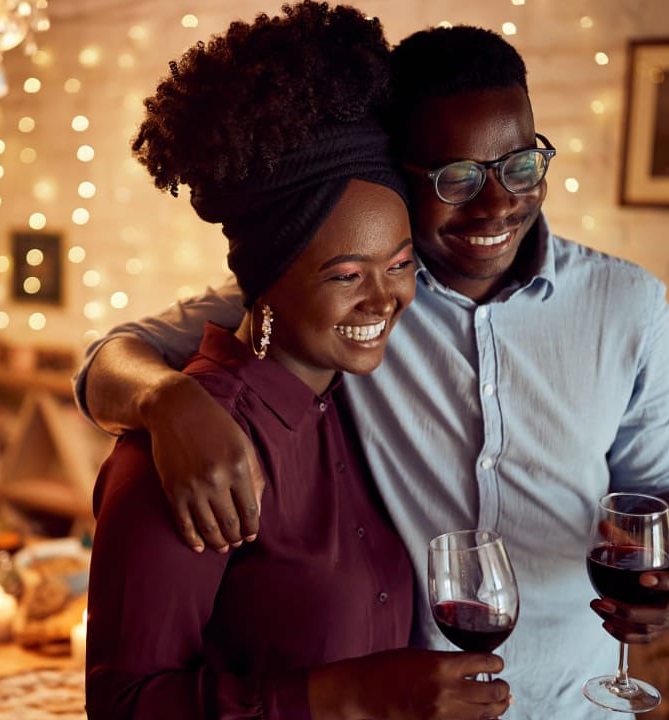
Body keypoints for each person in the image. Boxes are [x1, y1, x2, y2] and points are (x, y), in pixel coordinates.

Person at [76, 22, 669, 719]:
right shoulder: (329, 295)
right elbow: (111, 357)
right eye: (457, 177)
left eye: (521, 165)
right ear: (405, 174)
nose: (498, 204)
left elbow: (663, 480)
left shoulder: (627, 303)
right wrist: (167, 401)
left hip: (580, 704)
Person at [85, 4, 512, 719]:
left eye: (400, 264)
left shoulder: (358, 404)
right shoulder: (191, 457)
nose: (386, 301)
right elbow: (122, 706)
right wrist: (347, 697)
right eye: (347, 275)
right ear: (265, 279)